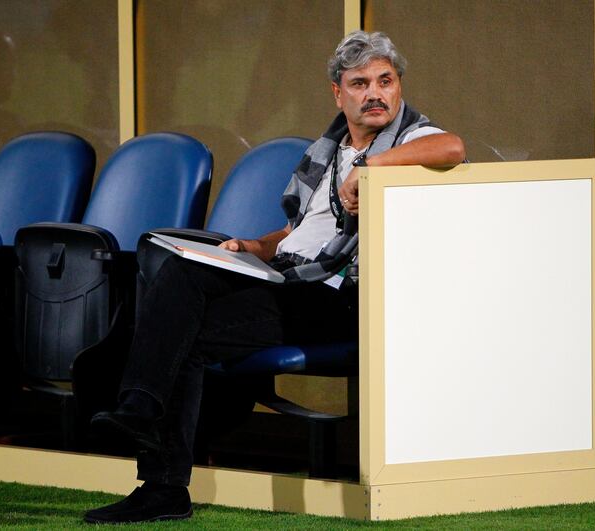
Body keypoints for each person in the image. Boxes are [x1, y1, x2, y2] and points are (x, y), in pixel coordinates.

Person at [83, 30, 465, 525]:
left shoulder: (409, 138)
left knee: (185, 334)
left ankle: (160, 475)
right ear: (338, 93)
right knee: (178, 268)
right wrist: (253, 248)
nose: (375, 93)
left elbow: (452, 147)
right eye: (359, 83)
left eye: (385, 81)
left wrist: (369, 165)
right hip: (287, 275)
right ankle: (141, 410)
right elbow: (296, 232)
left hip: (338, 297)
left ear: (399, 85)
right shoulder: (327, 151)